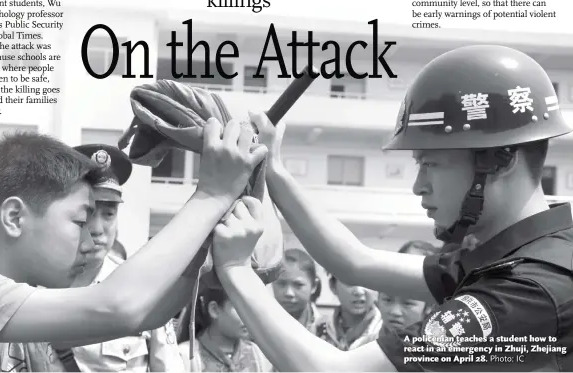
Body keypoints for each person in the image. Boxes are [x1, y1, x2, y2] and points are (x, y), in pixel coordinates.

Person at [209, 45, 573, 371]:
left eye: (430, 164)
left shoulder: (524, 292)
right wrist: (273, 167)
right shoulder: (526, 258)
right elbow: (354, 262)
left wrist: (235, 268)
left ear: (499, 159)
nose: (418, 185)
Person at [0, 119, 267, 371]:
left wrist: (207, 238)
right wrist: (211, 195)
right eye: (80, 221)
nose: (90, 236)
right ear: (15, 218)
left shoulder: (21, 299)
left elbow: (144, 315)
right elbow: (118, 308)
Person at [0, 144, 185, 372]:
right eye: (87, 214)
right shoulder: (32, 287)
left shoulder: (140, 289)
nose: (97, 229)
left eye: (109, 214)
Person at [178, 288, 272, 372]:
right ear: (214, 310)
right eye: (240, 307)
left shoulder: (258, 355)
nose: (248, 316)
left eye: (251, 307)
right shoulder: (186, 357)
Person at [320, 275, 382, 351]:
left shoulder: (386, 331)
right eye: (349, 282)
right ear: (333, 286)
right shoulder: (318, 329)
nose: (359, 291)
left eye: (367, 282)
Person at [271, 249, 325, 335]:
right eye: (281, 283)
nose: (289, 293)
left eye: (298, 285)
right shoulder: (256, 327)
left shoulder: (327, 331)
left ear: (314, 285)